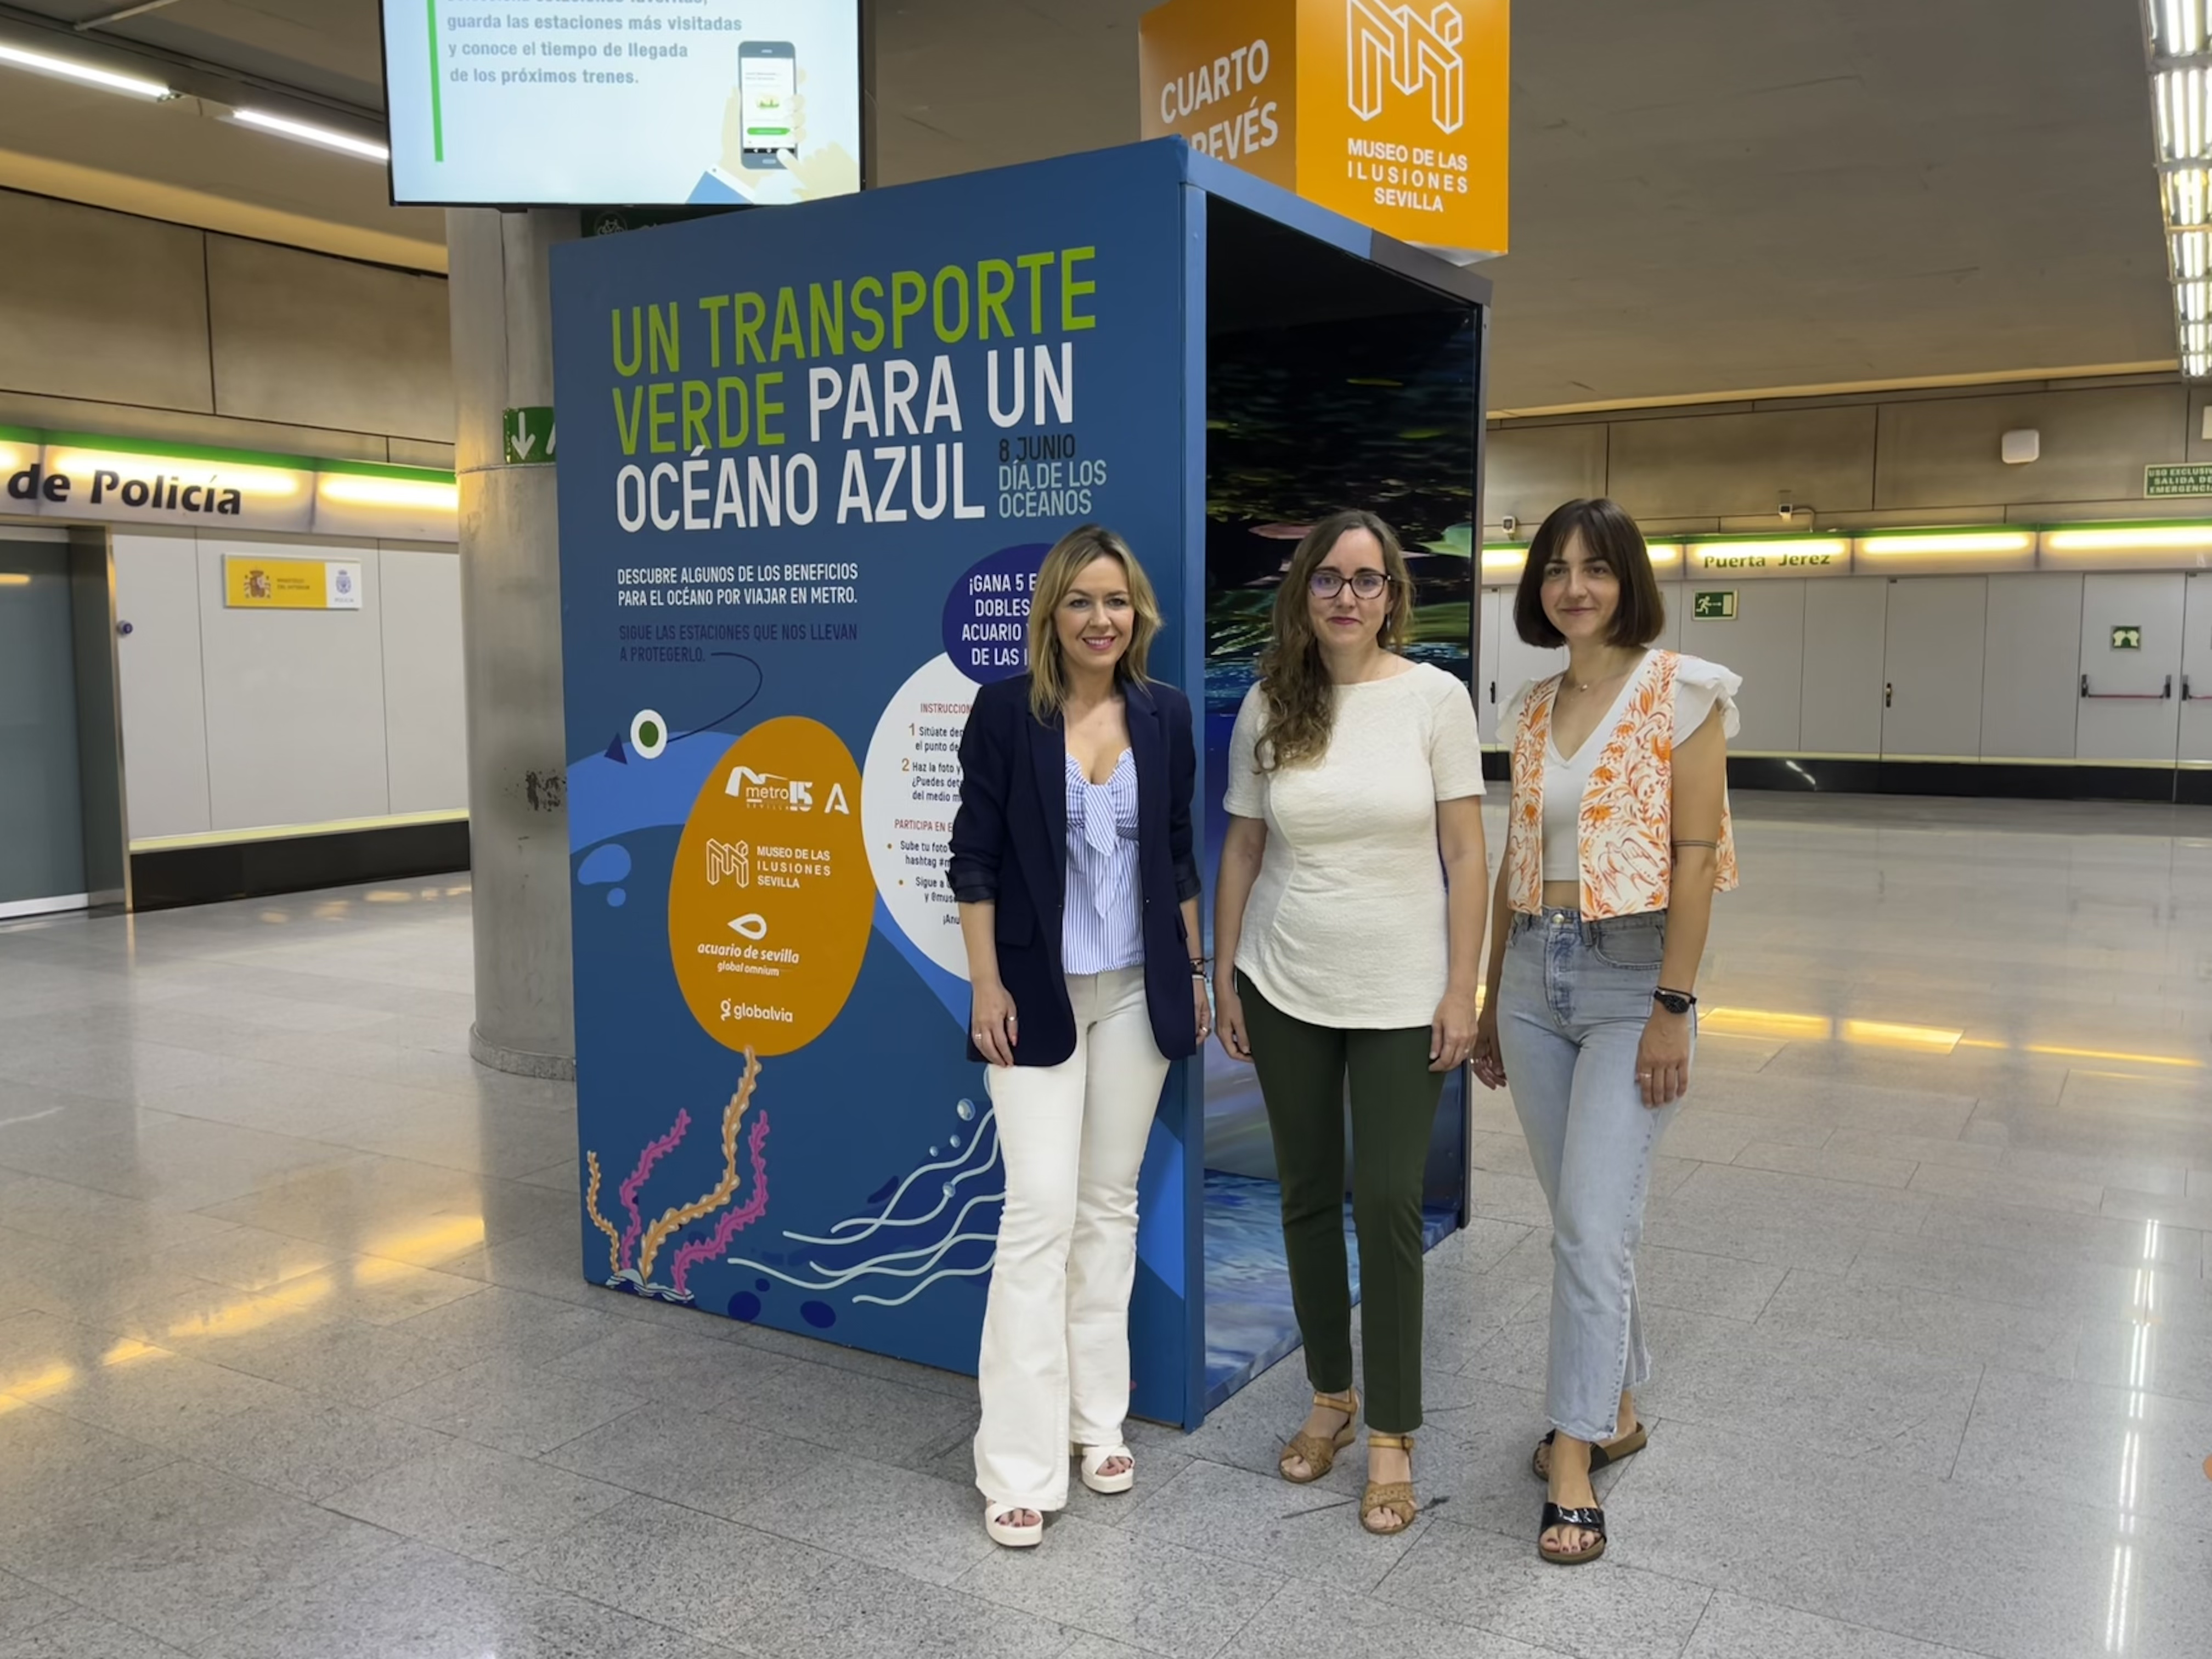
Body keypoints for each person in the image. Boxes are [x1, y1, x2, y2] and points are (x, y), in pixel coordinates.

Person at [1470, 496, 1739, 1567]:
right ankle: (1617, 1404)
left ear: (1629, 580)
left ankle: (1575, 1452)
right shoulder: (1533, 708)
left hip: (1634, 981)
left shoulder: (1684, 693)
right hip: (1538, 974)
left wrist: (1675, 1004)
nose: (1574, 586)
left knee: (1589, 1224)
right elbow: (1510, 858)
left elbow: (1695, 856)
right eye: (1554, 570)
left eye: (1596, 568)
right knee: (1586, 1219)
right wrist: (1492, 996)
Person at [1212, 509, 1488, 1536]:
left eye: (1367, 580)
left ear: (1392, 596)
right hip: (1283, 977)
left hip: (1402, 990)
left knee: (1385, 1199)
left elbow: (1466, 853)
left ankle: (1394, 1435)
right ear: (1302, 590)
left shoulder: (1435, 698)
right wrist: (1224, 976)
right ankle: (1332, 1394)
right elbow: (1242, 848)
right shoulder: (1267, 703)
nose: (1346, 596)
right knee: (1305, 1193)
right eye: (1328, 578)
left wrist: (1464, 988)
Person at [947, 523, 1209, 1549]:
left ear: (1136, 614)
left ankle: (1096, 1421)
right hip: (1034, 995)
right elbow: (972, 858)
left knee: (1108, 1206)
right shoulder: (1007, 713)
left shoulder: (1168, 715)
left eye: (1117, 601)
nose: (1102, 619)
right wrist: (986, 985)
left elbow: (1179, 856)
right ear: (1050, 615)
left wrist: (1189, 973)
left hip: (1140, 993)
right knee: (1040, 1214)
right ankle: (1016, 1461)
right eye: (1081, 602)